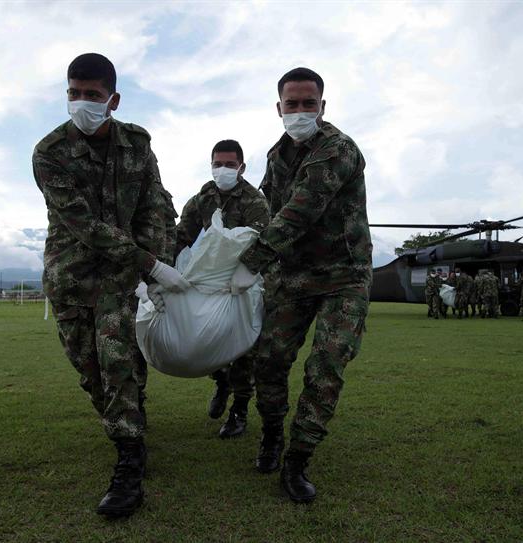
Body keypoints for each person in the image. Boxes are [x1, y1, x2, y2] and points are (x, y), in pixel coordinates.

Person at [33, 53, 187, 518]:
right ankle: (128, 419)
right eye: (74, 94)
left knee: (118, 360)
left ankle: (129, 458)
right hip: (72, 277)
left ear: (113, 99)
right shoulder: (50, 152)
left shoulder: (138, 144)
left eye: (92, 95)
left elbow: (155, 205)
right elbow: (83, 224)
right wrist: (152, 266)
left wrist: (157, 262)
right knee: (90, 370)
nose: (82, 103)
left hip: (120, 280)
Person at [229, 67, 372, 503]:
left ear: (322, 106)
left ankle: (298, 459)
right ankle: (272, 433)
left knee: (324, 367)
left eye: (309, 103)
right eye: (292, 104)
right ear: (279, 108)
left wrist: (251, 261)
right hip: (292, 277)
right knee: (269, 361)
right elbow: (267, 209)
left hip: (342, 279)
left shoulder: (337, 150)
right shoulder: (276, 156)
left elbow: (299, 211)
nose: (300, 111)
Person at [175, 140, 270, 438]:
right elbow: (182, 235)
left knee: (243, 348)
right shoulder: (201, 199)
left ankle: (239, 411)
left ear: (242, 167)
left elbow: (264, 239)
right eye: (218, 164)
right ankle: (221, 380)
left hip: (243, 282)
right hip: (209, 282)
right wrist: (164, 270)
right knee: (202, 339)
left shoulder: (254, 202)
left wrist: (247, 271)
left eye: (230, 164)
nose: (223, 170)